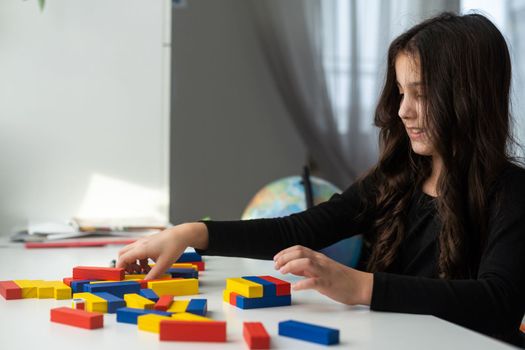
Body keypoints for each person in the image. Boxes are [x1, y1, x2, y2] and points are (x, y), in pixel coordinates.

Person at [116, 12, 525, 346]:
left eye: (420, 94)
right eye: (400, 92)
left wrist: (362, 286)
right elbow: (300, 228)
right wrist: (191, 233)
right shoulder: (397, 176)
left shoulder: (512, 192)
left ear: (467, 97)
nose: (403, 110)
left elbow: (499, 301)